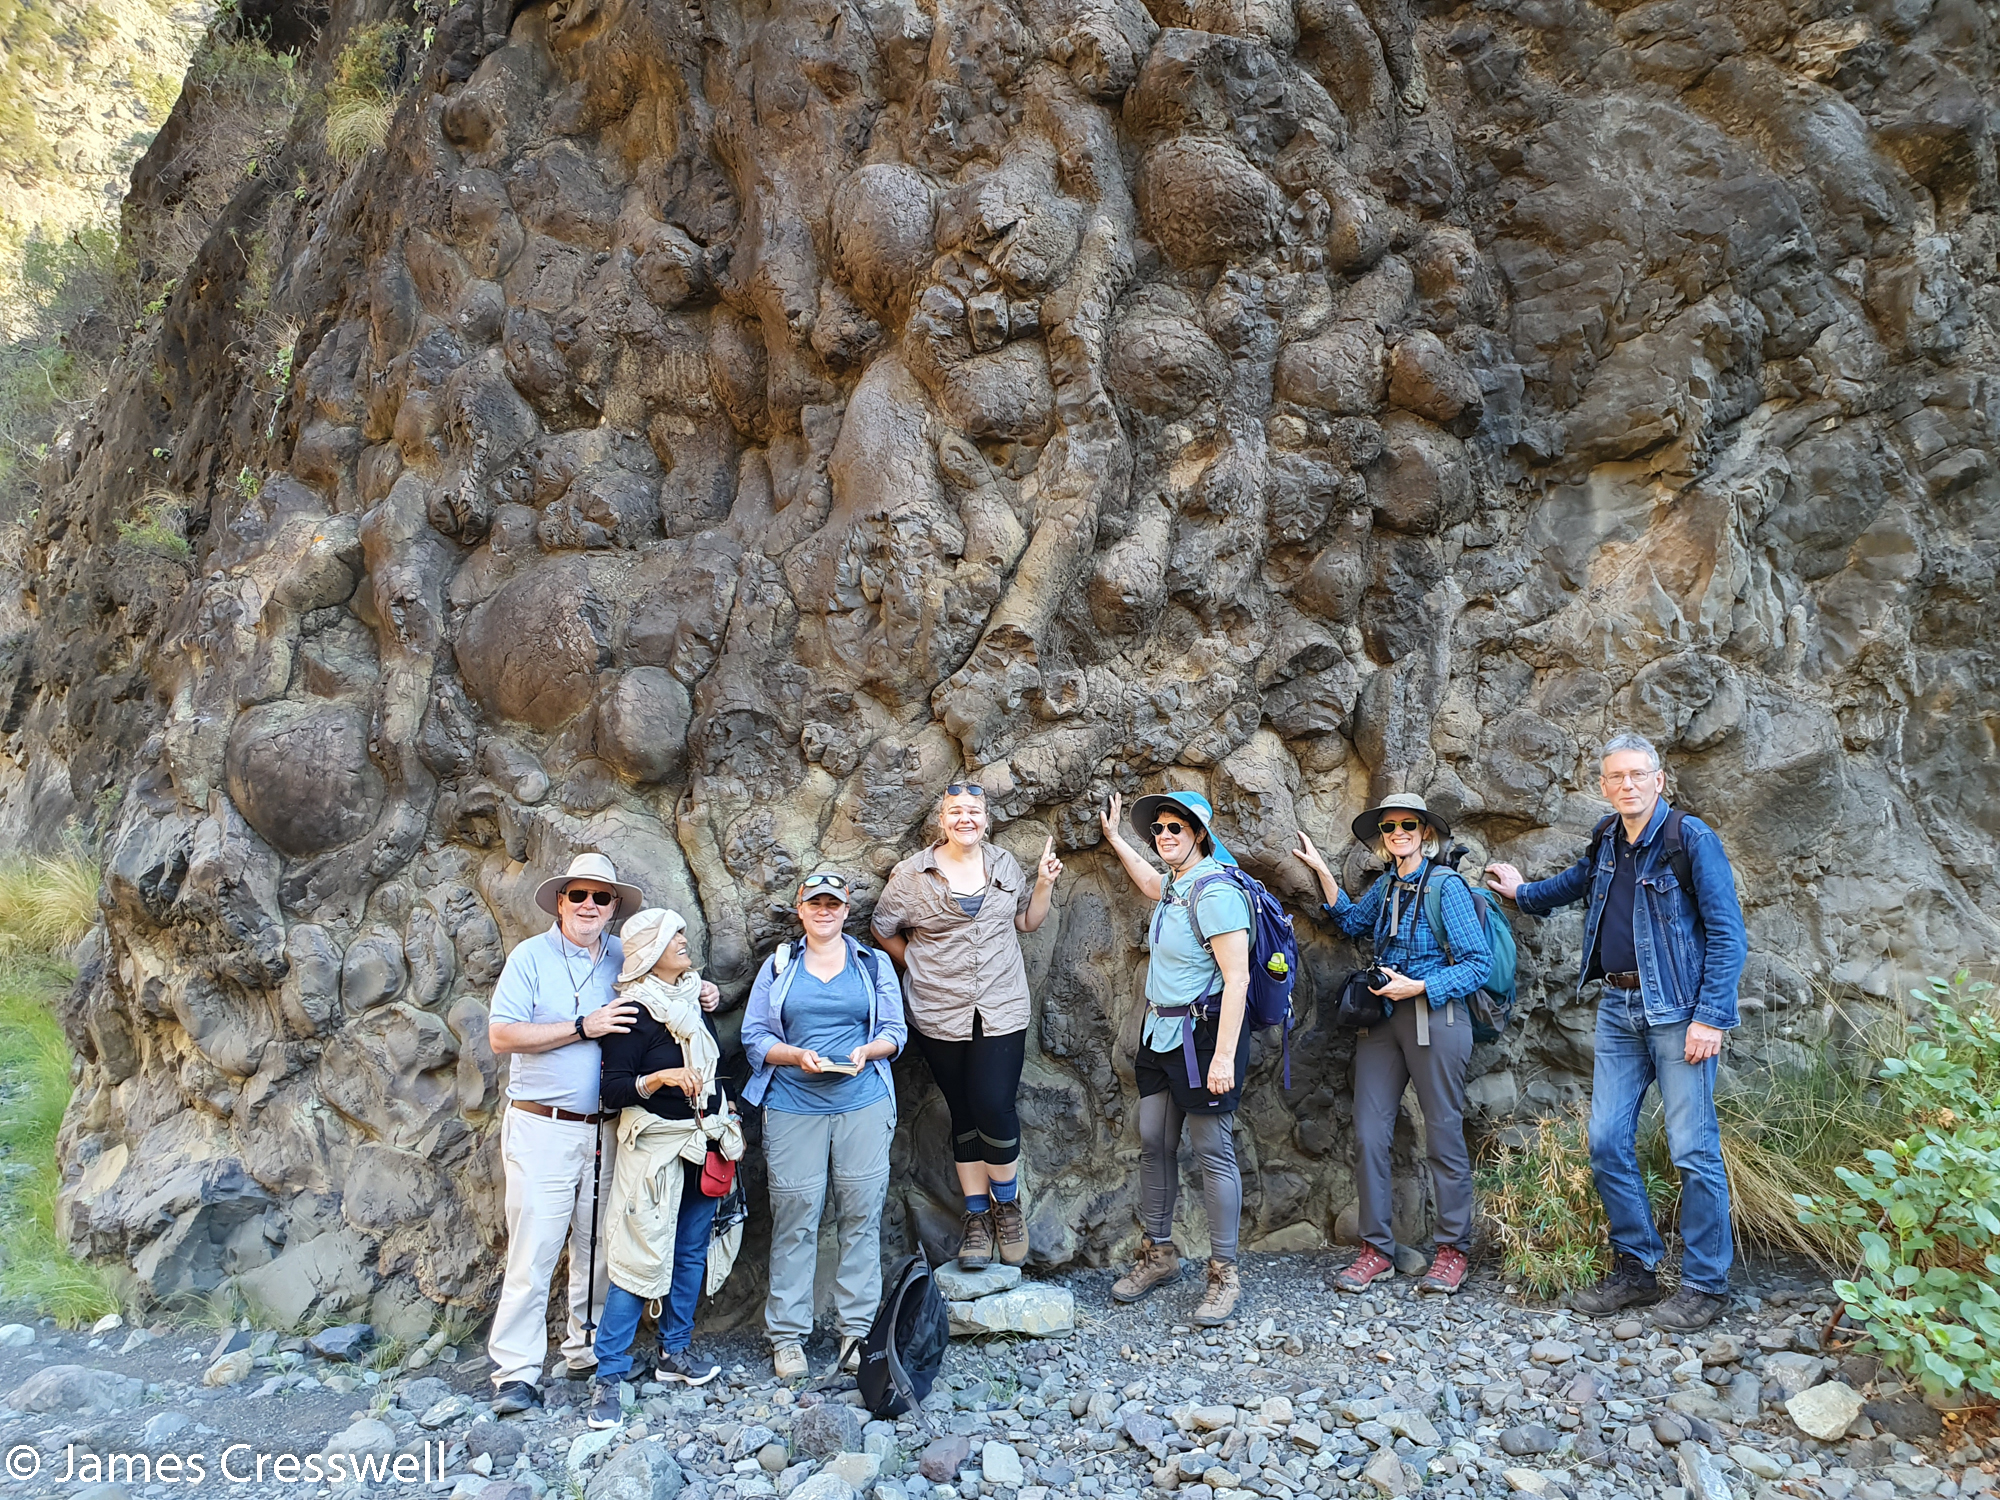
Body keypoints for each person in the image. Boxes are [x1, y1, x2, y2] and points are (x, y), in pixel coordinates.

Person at [1486, 731, 1748, 1331]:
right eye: (1614, 777)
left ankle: (1706, 1286)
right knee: (1606, 1142)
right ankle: (1638, 1268)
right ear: (1603, 784)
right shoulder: (1608, 836)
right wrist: (1523, 893)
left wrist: (1710, 1017)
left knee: (1692, 1149)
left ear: (1658, 780)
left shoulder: (1689, 839)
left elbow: (1728, 934)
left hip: (1679, 1012)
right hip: (1617, 1008)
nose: (1625, 785)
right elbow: (1578, 883)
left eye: (1636, 775)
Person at [1292, 793, 1491, 1296]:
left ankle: (1451, 1250)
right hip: (1381, 1019)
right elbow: (1353, 923)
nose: (1398, 832)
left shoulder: (1446, 886)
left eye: (1408, 825)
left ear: (1425, 832)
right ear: (1382, 837)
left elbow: (1478, 963)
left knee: (1443, 1133)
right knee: (1368, 1133)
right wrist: (1320, 869)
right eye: (1389, 827)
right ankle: (1375, 1250)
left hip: (1435, 1016)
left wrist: (1419, 986)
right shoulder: (1384, 887)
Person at [871, 783, 1063, 1269]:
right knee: (962, 1110)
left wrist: (1042, 883)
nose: (965, 819)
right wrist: (913, 962)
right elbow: (882, 927)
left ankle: (1006, 1202)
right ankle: (976, 1217)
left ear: (986, 819)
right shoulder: (911, 875)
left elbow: (1026, 923)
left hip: (1000, 1005)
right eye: (956, 811)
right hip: (938, 1010)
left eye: (973, 811)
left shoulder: (1003, 866)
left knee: (994, 1105)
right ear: (942, 819)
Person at [485, 852, 644, 1415]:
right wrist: (584, 1027)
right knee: (535, 1249)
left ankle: (586, 1350)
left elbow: (671, 981)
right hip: (542, 1125)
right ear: (560, 902)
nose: (589, 906)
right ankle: (516, 1371)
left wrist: (703, 994)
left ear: (614, 908)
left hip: (606, 1128)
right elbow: (502, 1035)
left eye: (602, 898)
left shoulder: (625, 958)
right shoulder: (530, 957)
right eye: (578, 895)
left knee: (598, 1247)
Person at [740, 871, 908, 1380]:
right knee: (796, 1216)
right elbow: (753, 1037)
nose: (824, 911)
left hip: (863, 1099)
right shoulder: (780, 965)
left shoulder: (872, 963)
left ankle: (855, 1333)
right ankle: (787, 1337)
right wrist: (793, 1055)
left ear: (845, 908)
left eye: (833, 903)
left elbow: (895, 1033)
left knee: (861, 1214)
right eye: (815, 903)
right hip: (793, 1102)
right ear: (800, 908)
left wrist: (866, 1051)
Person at [1096, 790, 1249, 1327]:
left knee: (1213, 1154)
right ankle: (1159, 1254)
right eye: (1158, 828)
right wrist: (1116, 838)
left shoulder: (1216, 893)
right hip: (1160, 1033)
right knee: (1155, 1143)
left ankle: (1224, 1272)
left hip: (1204, 1038)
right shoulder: (1176, 887)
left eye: (1175, 829)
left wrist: (1224, 1057)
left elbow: (1238, 979)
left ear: (1200, 834)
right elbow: (1148, 881)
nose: (1164, 836)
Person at [588, 907, 736, 1427]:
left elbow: (715, 1068)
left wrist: (724, 1109)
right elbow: (610, 1091)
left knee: (692, 1249)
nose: (684, 940)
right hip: (653, 1152)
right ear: (651, 948)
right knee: (637, 1256)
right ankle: (608, 1375)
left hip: (701, 1144)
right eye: (675, 934)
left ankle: (674, 1354)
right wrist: (662, 1079)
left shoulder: (693, 1001)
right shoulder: (633, 1013)